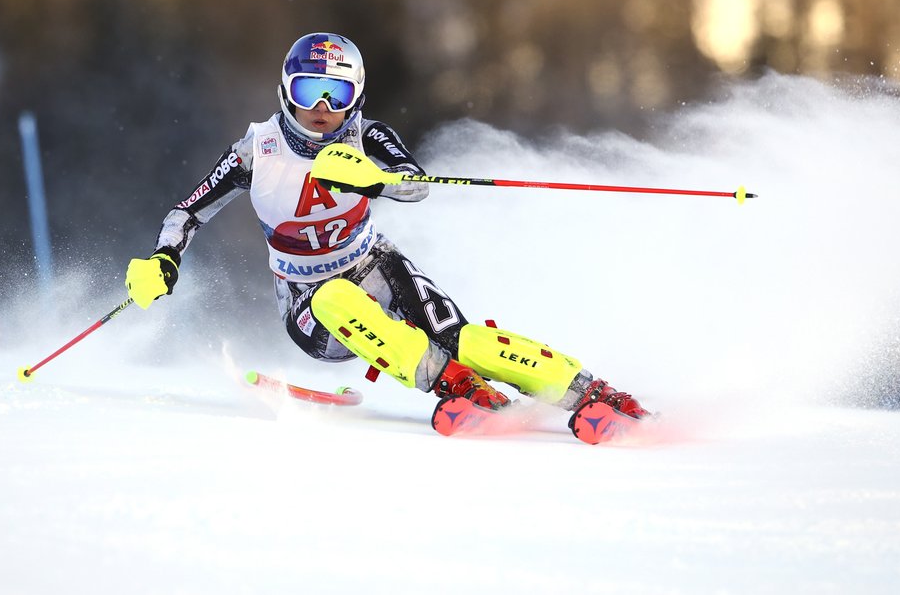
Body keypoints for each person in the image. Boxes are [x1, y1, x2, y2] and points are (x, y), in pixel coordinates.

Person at [125, 32, 647, 431]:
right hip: (308, 302)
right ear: (286, 90)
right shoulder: (255, 151)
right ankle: (453, 385)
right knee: (334, 298)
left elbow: (417, 185)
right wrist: (163, 260)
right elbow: (188, 211)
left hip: (376, 264)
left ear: (356, 95)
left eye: (337, 93)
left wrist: (377, 179)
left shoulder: (367, 135)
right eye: (310, 91)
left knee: (457, 335)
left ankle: (589, 393)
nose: (322, 109)